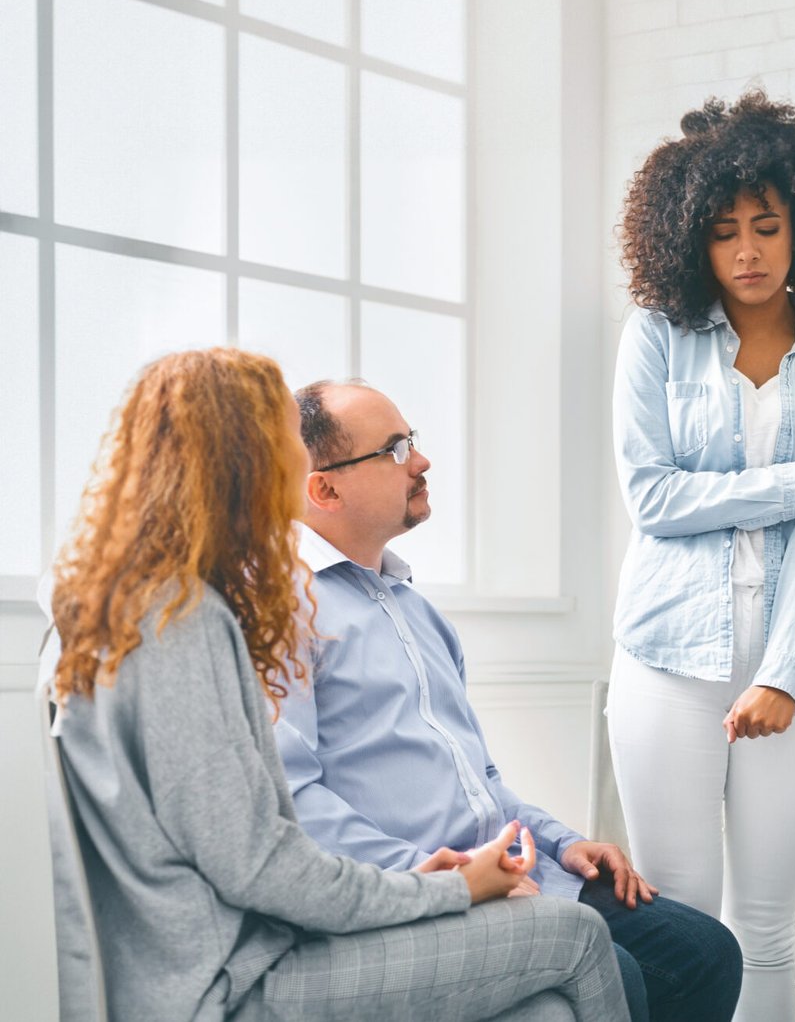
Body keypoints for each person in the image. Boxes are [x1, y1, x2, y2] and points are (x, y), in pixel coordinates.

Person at [46, 348, 626, 1021]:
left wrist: (433, 880)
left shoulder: (128, 605)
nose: (300, 471)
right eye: (282, 446)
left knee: (548, 1007)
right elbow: (260, 866)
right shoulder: (177, 621)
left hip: (240, 952)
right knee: (576, 936)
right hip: (232, 981)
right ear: (244, 464)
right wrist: (450, 888)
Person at [275, 380, 742, 1022]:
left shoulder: (416, 612)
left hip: (517, 873)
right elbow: (295, 798)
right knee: (621, 973)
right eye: (394, 449)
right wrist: (446, 878)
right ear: (325, 489)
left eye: (412, 441)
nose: (421, 461)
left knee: (706, 951)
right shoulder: (284, 611)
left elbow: (483, 780)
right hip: (420, 893)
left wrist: (561, 843)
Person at [607, 89, 795, 1022]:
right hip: (664, 660)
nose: (749, 253)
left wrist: (783, 675)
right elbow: (653, 499)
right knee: (683, 925)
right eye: (725, 234)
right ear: (693, 241)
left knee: (764, 926)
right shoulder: (654, 339)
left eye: (767, 227)